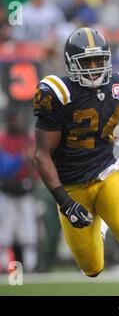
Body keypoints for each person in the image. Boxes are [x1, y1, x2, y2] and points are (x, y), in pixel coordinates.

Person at [33, 27, 119, 296]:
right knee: (92, 268)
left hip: (107, 173)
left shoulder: (118, 86)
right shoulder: (58, 92)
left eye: (99, 60)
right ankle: (98, 231)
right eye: (87, 62)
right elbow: (42, 155)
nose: (95, 67)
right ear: (72, 63)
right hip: (72, 187)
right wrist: (65, 202)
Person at [0, 111, 38, 273]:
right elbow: (5, 168)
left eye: (19, 120)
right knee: (6, 229)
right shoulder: (2, 140)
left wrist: (33, 175)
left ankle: (30, 265)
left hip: (25, 190)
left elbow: (35, 166)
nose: (17, 124)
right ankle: (4, 265)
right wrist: (22, 157)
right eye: (14, 121)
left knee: (28, 229)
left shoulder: (28, 140)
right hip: (7, 190)